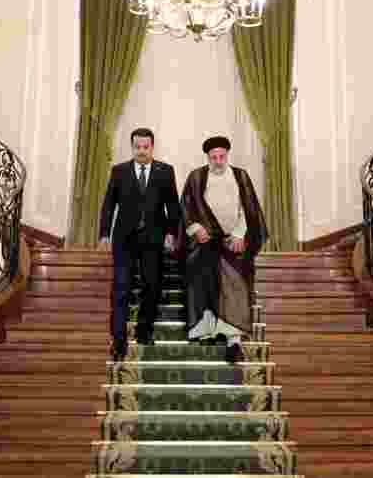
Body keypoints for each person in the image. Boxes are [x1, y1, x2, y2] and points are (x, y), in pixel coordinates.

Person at [177, 135, 267, 364]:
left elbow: (249, 209)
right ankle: (205, 331)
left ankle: (233, 340)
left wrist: (239, 234)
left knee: (234, 283)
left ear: (227, 155)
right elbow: (186, 207)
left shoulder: (240, 176)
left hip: (232, 242)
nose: (217, 161)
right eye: (213, 157)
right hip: (205, 242)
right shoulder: (197, 177)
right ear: (207, 157)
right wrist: (196, 228)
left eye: (221, 157)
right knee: (200, 274)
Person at [99, 127, 181, 361]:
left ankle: (144, 332)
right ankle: (118, 340)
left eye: (146, 147)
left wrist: (171, 233)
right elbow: (108, 204)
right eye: (138, 147)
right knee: (121, 289)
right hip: (124, 240)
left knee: (152, 287)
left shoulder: (165, 171)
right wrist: (104, 233)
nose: (142, 151)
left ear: (152, 147)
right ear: (132, 147)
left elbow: (172, 206)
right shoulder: (119, 171)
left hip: (153, 240)